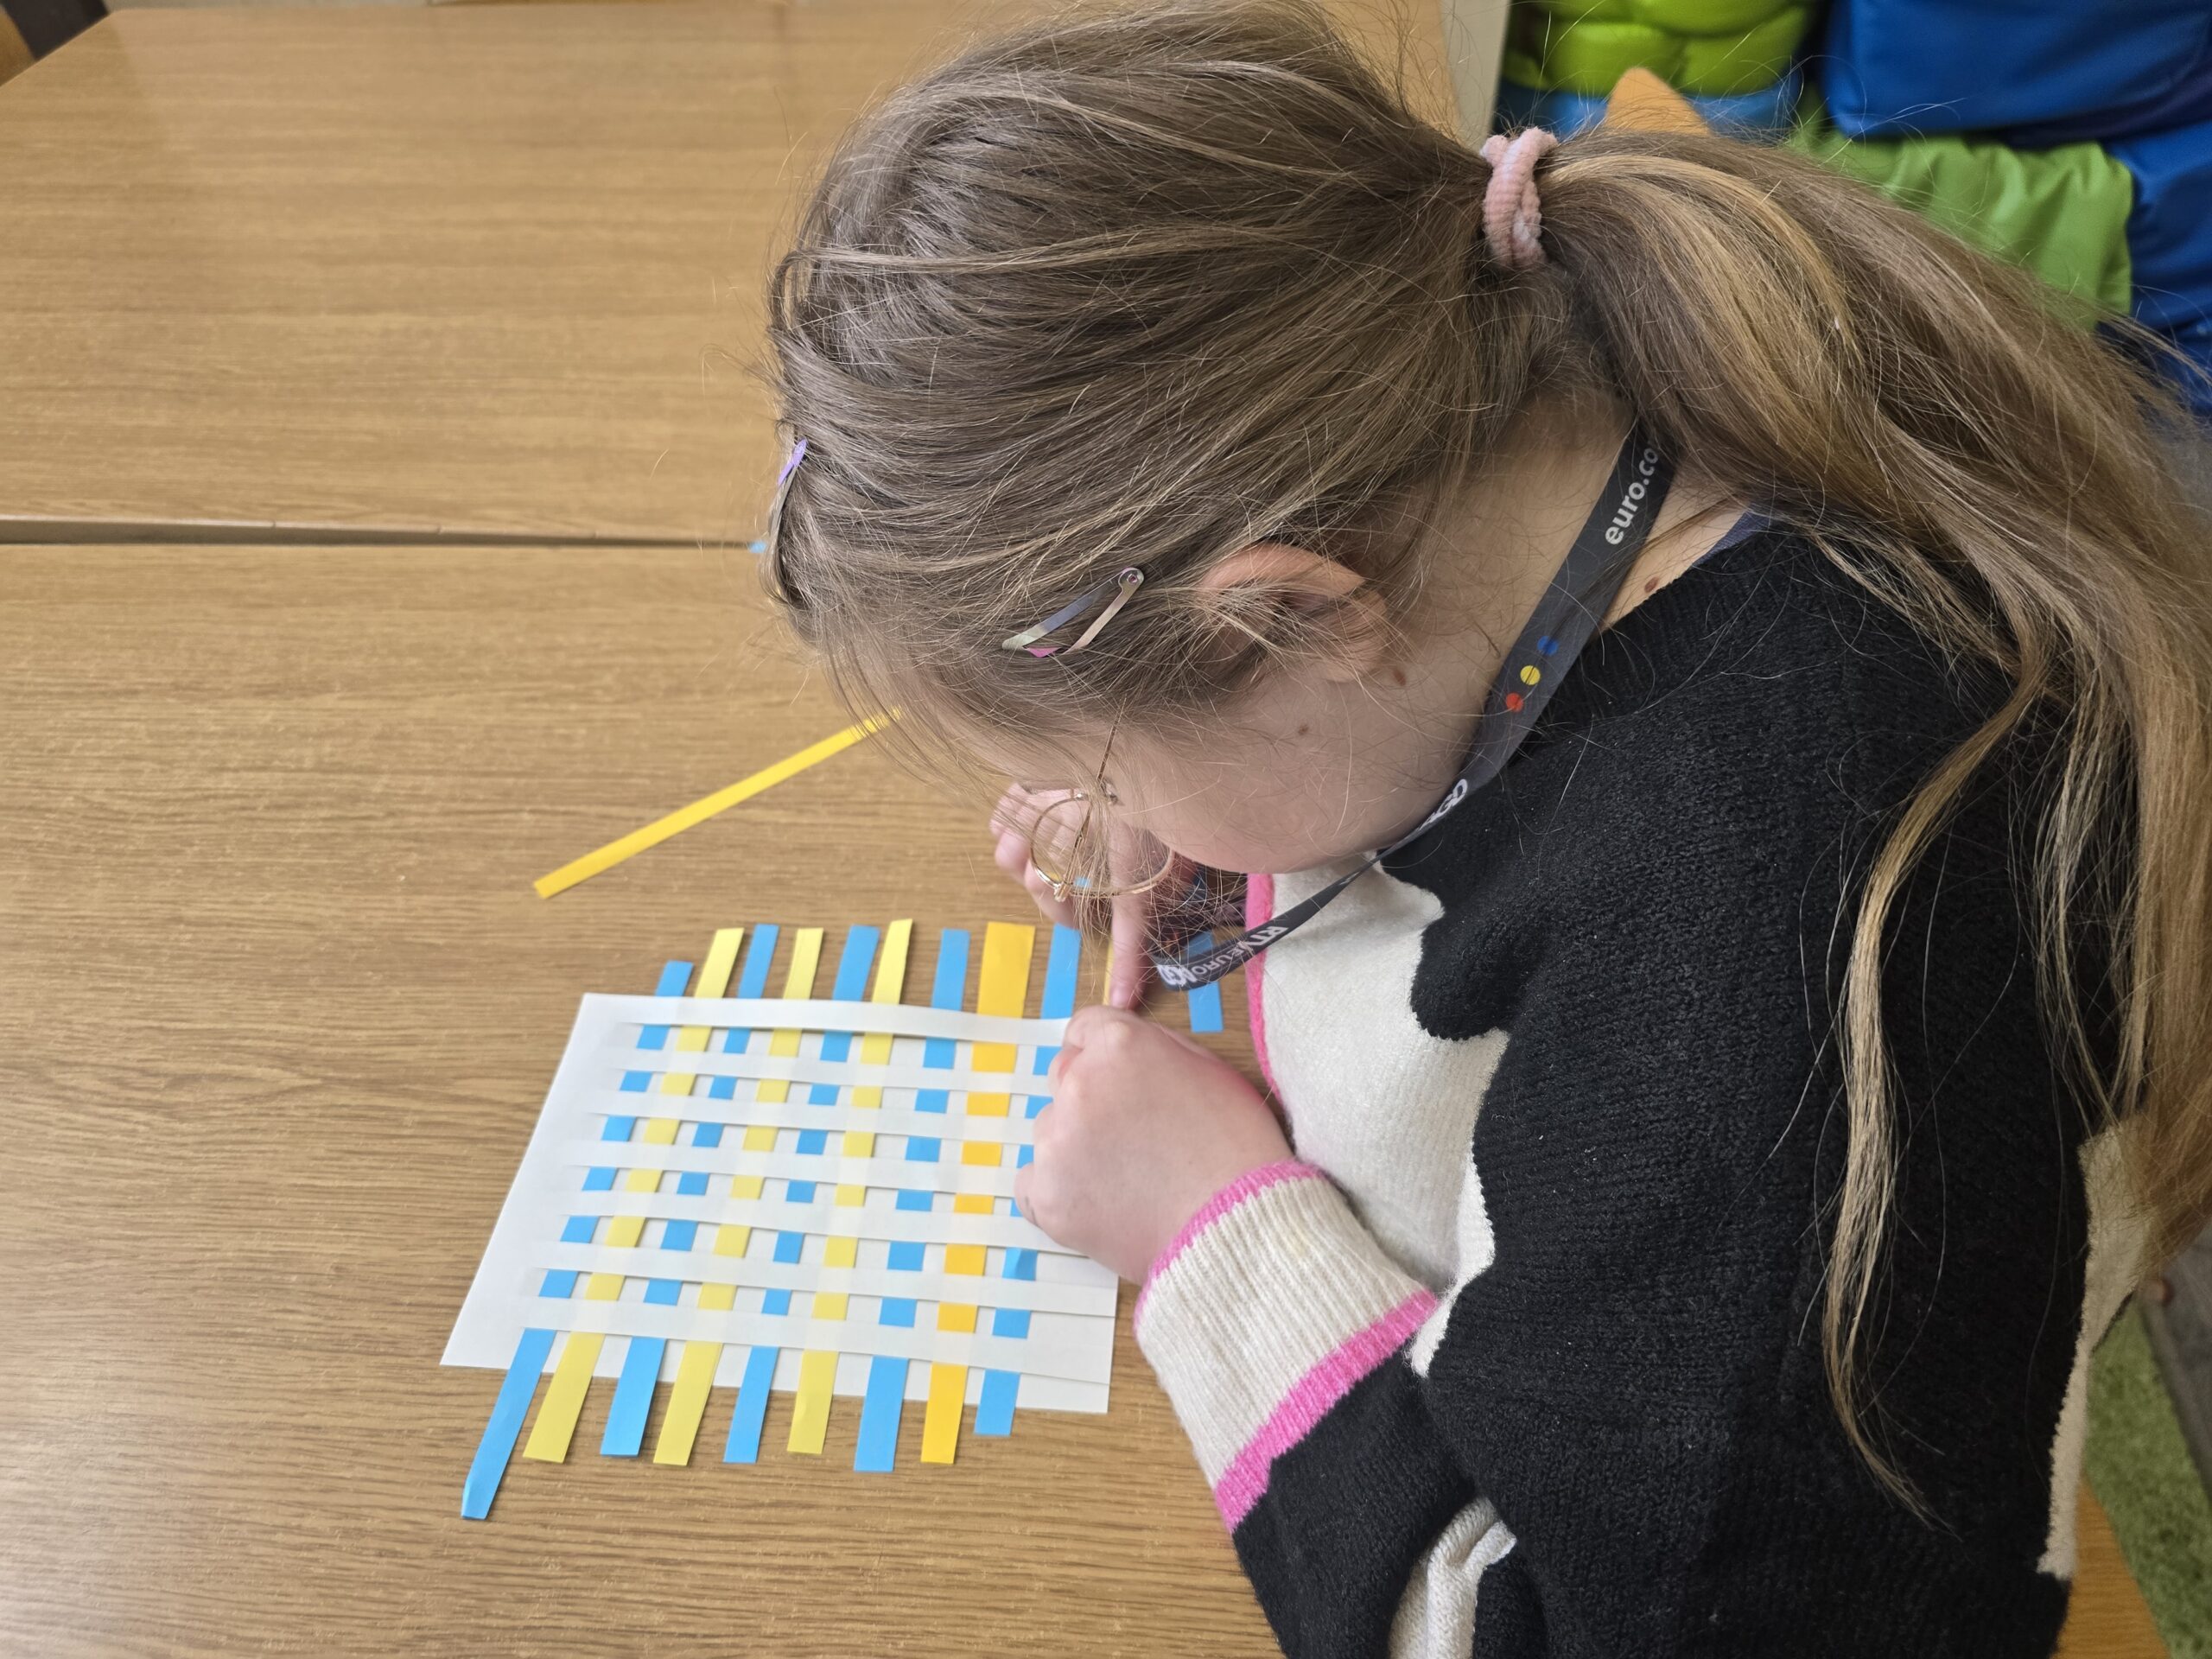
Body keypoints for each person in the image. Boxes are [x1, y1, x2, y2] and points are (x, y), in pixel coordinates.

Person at [758, 4, 2212, 1652]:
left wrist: (1211, 1235)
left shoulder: (1762, 995)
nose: (1104, 829)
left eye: (1107, 775)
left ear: (1295, 616)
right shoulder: (1553, 427)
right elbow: (1448, 792)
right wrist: (1214, 846)